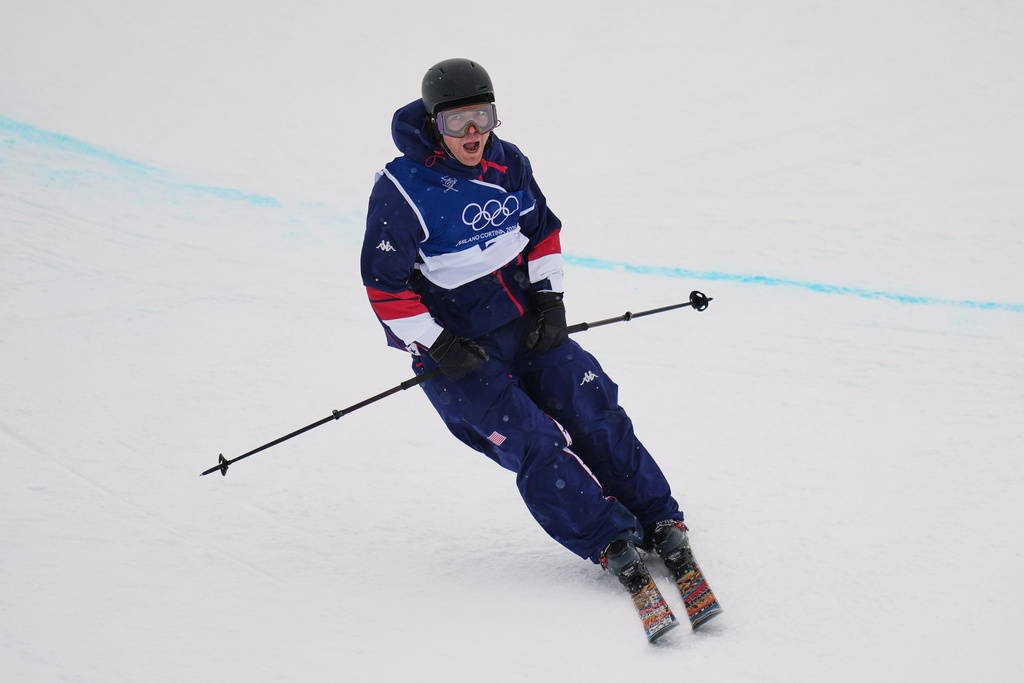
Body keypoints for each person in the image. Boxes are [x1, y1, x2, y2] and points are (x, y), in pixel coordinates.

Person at [360, 58, 704, 594]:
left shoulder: (509, 162)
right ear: (433, 123)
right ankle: (606, 537)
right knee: (536, 441)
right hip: (458, 350)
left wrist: (550, 301)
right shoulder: (402, 188)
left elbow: (541, 230)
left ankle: (657, 514)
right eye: (457, 123)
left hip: (524, 322)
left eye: (483, 117)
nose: (472, 134)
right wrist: (438, 343)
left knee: (592, 406)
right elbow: (384, 287)